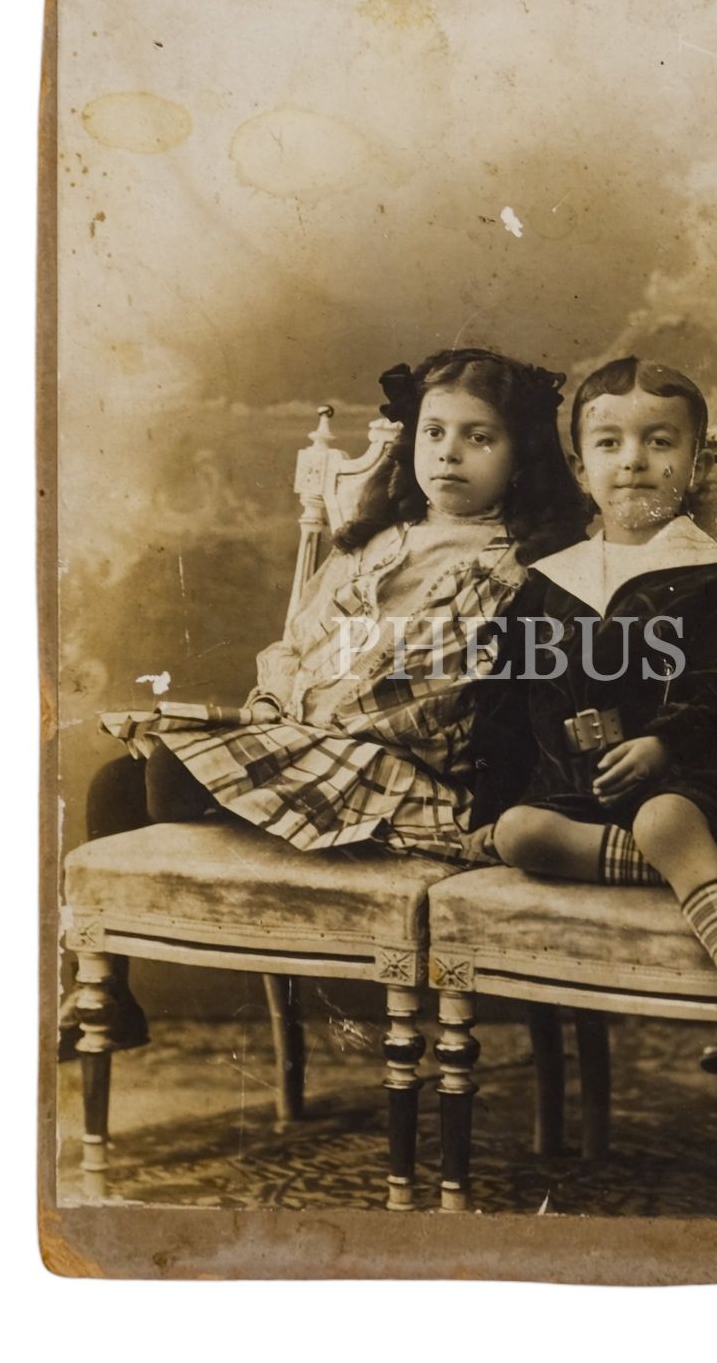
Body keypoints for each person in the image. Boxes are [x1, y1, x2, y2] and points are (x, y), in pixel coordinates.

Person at [64, 348, 584, 1056]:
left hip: (399, 759)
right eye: (434, 433)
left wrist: (313, 721)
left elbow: (444, 689)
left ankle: (241, 800)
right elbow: (301, 641)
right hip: (313, 734)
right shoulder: (376, 542)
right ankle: (106, 996)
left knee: (166, 772)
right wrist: (272, 706)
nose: (449, 453)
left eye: (479, 437)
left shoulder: (515, 565)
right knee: (115, 783)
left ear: (521, 457)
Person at [469, 357, 717, 1074]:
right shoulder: (550, 581)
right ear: (579, 467)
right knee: (519, 832)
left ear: (696, 464)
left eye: (660, 442)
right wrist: (489, 803)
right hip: (579, 787)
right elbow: (512, 700)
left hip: (690, 776)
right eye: (609, 442)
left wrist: (662, 744)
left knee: (663, 822)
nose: (634, 461)